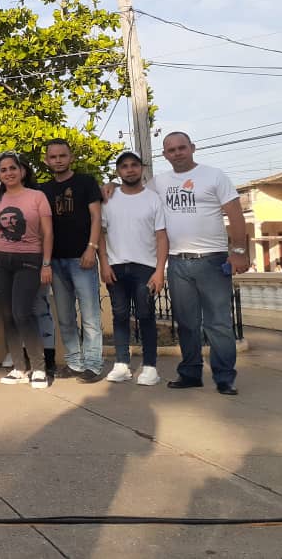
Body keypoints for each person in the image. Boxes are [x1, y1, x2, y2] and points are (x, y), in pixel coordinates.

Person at [151, 132, 248, 395]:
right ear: (165, 155)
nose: (177, 153)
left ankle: (225, 377)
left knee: (218, 322)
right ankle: (190, 373)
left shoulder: (214, 175)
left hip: (213, 261)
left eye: (182, 147)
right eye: (171, 150)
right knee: (186, 323)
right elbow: (135, 193)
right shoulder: (159, 182)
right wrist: (112, 188)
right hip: (177, 263)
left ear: (192, 148)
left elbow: (236, 216)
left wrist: (239, 252)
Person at [0, 152, 53, 389]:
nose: (9, 173)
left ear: (21, 171)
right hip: (0, 261)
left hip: (29, 260)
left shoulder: (37, 196)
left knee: (23, 313)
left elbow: (48, 232)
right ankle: (19, 368)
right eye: (3, 170)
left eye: (13, 168)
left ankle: (39, 368)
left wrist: (46, 263)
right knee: (8, 315)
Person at [99, 151, 167, 386]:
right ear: (118, 171)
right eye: (124, 166)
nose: (130, 170)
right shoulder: (109, 198)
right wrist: (104, 263)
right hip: (116, 266)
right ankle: (122, 364)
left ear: (141, 169)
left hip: (145, 268)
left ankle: (150, 367)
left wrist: (160, 270)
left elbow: (161, 237)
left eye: (134, 165)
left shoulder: (153, 199)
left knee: (146, 316)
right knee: (119, 316)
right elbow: (100, 233)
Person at [40, 139, 104, 383]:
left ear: (71, 157)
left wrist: (92, 248)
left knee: (90, 315)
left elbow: (96, 217)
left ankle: (94, 364)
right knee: (65, 316)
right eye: (53, 157)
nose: (58, 160)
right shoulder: (44, 190)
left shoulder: (85, 182)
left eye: (62, 155)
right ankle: (75, 363)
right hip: (56, 260)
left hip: (82, 258)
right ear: (47, 161)